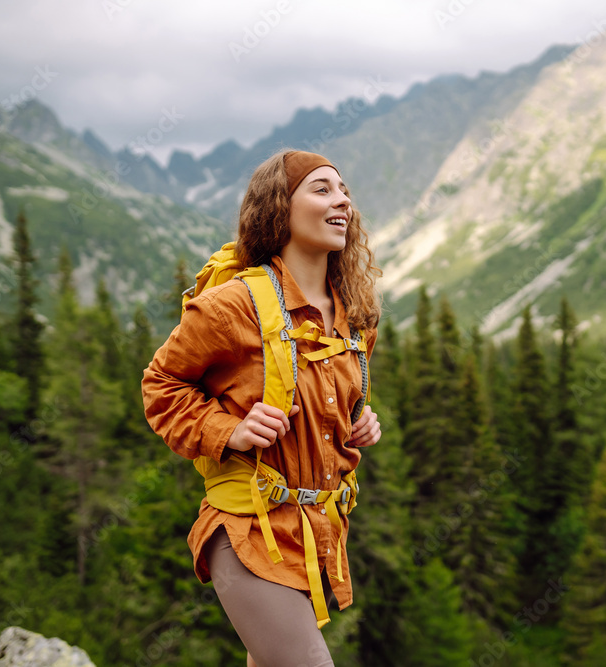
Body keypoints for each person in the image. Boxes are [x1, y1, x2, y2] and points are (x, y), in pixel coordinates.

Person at [141, 149, 382, 667]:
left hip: (315, 534)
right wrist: (229, 429)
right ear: (279, 207)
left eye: (344, 191)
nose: (341, 200)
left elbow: (330, 401)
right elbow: (161, 385)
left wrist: (361, 422)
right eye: (321, 189)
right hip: (245, 532)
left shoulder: (354, 314)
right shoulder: (231, 306)